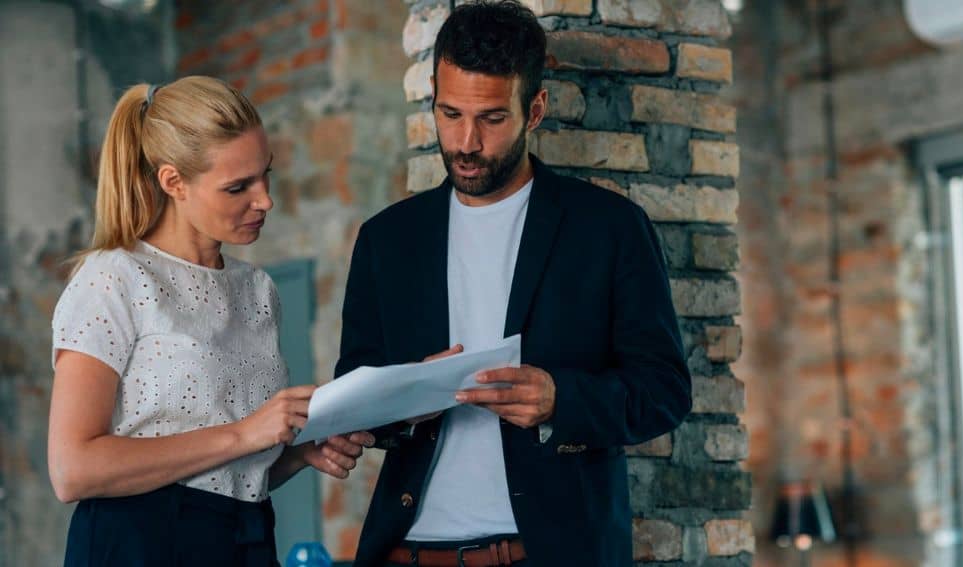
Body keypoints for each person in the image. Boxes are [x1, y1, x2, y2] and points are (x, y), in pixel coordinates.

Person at [333, 2, 692, 565]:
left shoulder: (609, 228)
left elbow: (665, 392)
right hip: (406, 552)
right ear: (432, 95)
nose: (466, 141)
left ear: (536, 110)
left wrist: (561, 399)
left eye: (492, 119)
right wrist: (406, 400)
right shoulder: (387, 239)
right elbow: (354, 393)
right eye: (449, 114)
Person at [47, 76, 374, 567]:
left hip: (248, 536)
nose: (264, 200)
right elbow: (73, 469)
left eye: (266, 175)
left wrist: (296, 453)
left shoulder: (257, 290)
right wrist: (247, 433)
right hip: (139, 545)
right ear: (173, 181)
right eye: (237, 187)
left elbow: (224, 469)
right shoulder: (113, 278)